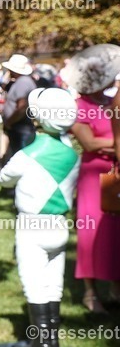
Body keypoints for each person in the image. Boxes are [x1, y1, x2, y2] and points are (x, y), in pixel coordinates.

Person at [0, 88, 79, 347]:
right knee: (54, 283)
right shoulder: (73, 156)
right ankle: (52, 343)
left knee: (33, 283)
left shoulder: (28, 155)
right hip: (60, 225)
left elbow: (4, 178)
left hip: (32, 226)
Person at [62, 45, 120, 314]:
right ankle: (90, 292)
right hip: (92, 177)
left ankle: (115, 287)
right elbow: (89, 142)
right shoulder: (78, 107)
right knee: (90, 233)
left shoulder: (110, 104)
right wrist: (115, 144)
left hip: (113, 173)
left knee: (114, 232)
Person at [2, 54, 38, 160]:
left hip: (20, 127)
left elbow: (22, 107)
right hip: (20, 127)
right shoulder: (23, 81)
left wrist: (9, 122)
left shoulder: (22, 82)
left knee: (21, 158)